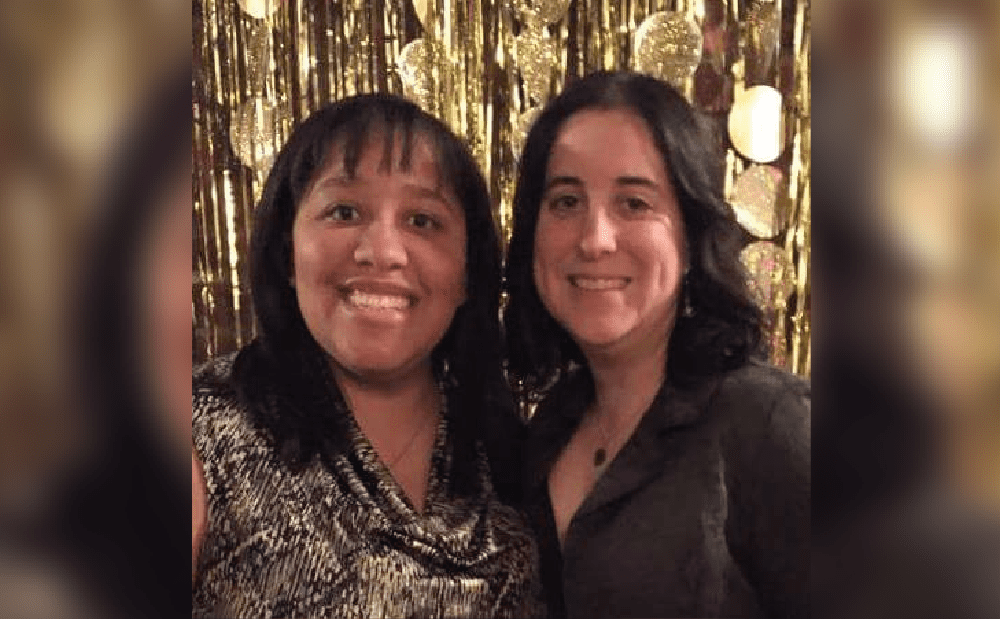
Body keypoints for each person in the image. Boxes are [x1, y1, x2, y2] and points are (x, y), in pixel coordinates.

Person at [191, 93, 545, 618]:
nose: (381, 250)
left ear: (468, 273)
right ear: (288, 254)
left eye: (422, 220)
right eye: (345, 211)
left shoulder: (507, 446)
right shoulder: (203, 433)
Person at [504, 70, 810, 619]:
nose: (595, 239)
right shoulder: (550, 427)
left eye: (634, 204)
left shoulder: (766, 422)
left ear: (690, 238)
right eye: (566, 202)